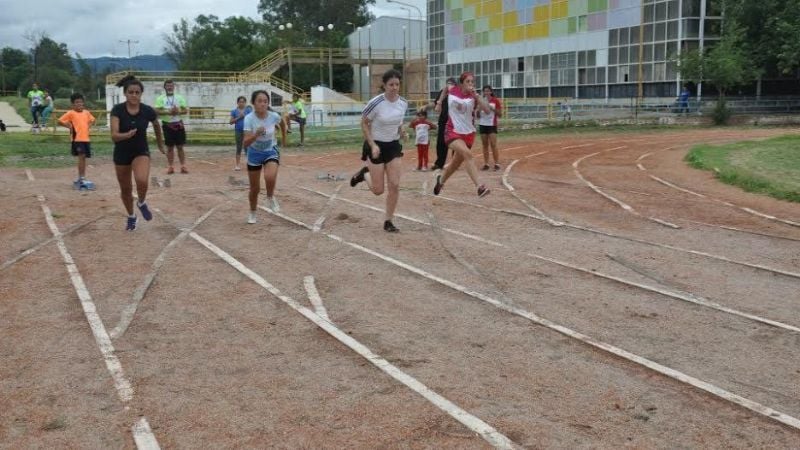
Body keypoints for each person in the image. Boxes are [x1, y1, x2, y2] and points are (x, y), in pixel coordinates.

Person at [349, 69, 409, 232]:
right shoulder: (376, 103)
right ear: (384, 85)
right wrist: (373, 144)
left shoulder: (403, 103)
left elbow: (399, 123)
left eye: (397, 84)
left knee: (395, 185)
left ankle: (388, 221)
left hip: (393, 146)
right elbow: (364, 123)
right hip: (375, 145)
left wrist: (402, 132)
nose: (394, 87)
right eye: (391, 84)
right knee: (378, 190)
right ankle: (364, 174)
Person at [110, 75, 165, 231]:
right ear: (125, 93)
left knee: (142, 180)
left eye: (137, 92)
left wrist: (160, 144)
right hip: (121, 153)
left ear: (141, 94)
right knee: (126, 189)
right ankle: (131, 216)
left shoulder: (147, 110)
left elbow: (156, 125)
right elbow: (114, 135)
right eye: (131, 92)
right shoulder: (117, 110)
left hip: (140, 151)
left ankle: (141, 202)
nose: (134, 95)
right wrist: (125, 135)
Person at [433, 71, 492, 198]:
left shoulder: (473, 97)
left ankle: (440, 181)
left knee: (454, 164)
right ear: (461, 83)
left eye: (472, 82)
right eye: (468, 82)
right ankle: (479, 187)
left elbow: (487, 110)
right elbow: (445, 89)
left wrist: (477, 96)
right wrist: (439, 103)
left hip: (468, 134)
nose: (470, 84)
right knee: (467, 154)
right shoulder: (453, 89)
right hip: (452, 130)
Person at [243, 90, 286, 224]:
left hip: (270, 151)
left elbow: (283, 123)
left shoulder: (273, 116)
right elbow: (245, 142)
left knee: (270, 176)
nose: (262, 104)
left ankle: (270, 197)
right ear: (253, 103)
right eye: (259, 101)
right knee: (254, 189)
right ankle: (252, 212)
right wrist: (256, 135)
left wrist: (284, 138)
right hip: (254, 154)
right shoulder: (249, 118)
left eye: (265, 101)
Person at [58, 93, 96, 190]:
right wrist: (69, 126)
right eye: (77, 102)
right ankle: (81, 177)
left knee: (84, 158)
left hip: (86, 139)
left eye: (81, 102)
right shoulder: (71, 113)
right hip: (77, 139)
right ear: (73, 104)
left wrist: (88, 126)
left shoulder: (86, 113)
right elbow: (60, 120)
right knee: (81, 156)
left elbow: (92, 119)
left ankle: (82, 177)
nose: (79, 104)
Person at [154, 80, 188, 174]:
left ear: (174, 87)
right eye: (168, 86)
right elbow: (156, 111)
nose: (169, 87)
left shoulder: (179, 98)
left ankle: (183, 166)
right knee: (169, 147)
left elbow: (185, 110)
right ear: (164, 87)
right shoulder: (160, 98)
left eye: (171, 85)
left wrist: (178, 112)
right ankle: (170, 167)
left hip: (178, 124)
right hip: (167, 125)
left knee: (180, 146)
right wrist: (168, 112)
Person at [432, 77, 457, 171]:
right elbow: (436, 106)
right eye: (448, 84)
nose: (449, 86)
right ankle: (439, 163)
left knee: (455, 142)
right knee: (441, 142)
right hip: (443, 120)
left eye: (451, 84)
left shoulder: (457, 93)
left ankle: (455, 162)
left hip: (454, 121)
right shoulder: (443, 93)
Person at [478, 85, 503, 171]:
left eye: (488, 91)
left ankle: (496, 163)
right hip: (482, 124)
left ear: (491, 92)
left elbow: (500, 115)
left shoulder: (495, 100)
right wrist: (479, 109)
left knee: (493, 144)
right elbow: (477, 116)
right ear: (483, 92)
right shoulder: (481, 101)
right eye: (485, 91)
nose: (486, 93)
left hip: (492, 125)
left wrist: (493, 109)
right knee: (485, 145)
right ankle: (486, 164)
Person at [229, 96, 252, 171]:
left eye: (243, 102)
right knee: (238, 147)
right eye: (240, 101)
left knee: (247, 147)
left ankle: (249, 163)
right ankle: (237, 165)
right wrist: (239, 117)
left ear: (245, 103)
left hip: (247, 131)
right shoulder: (234, 111)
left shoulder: (248, 110)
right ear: (237, 102)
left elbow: (252, 120)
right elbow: (231, 122)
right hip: (238, 131)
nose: (241, 103)